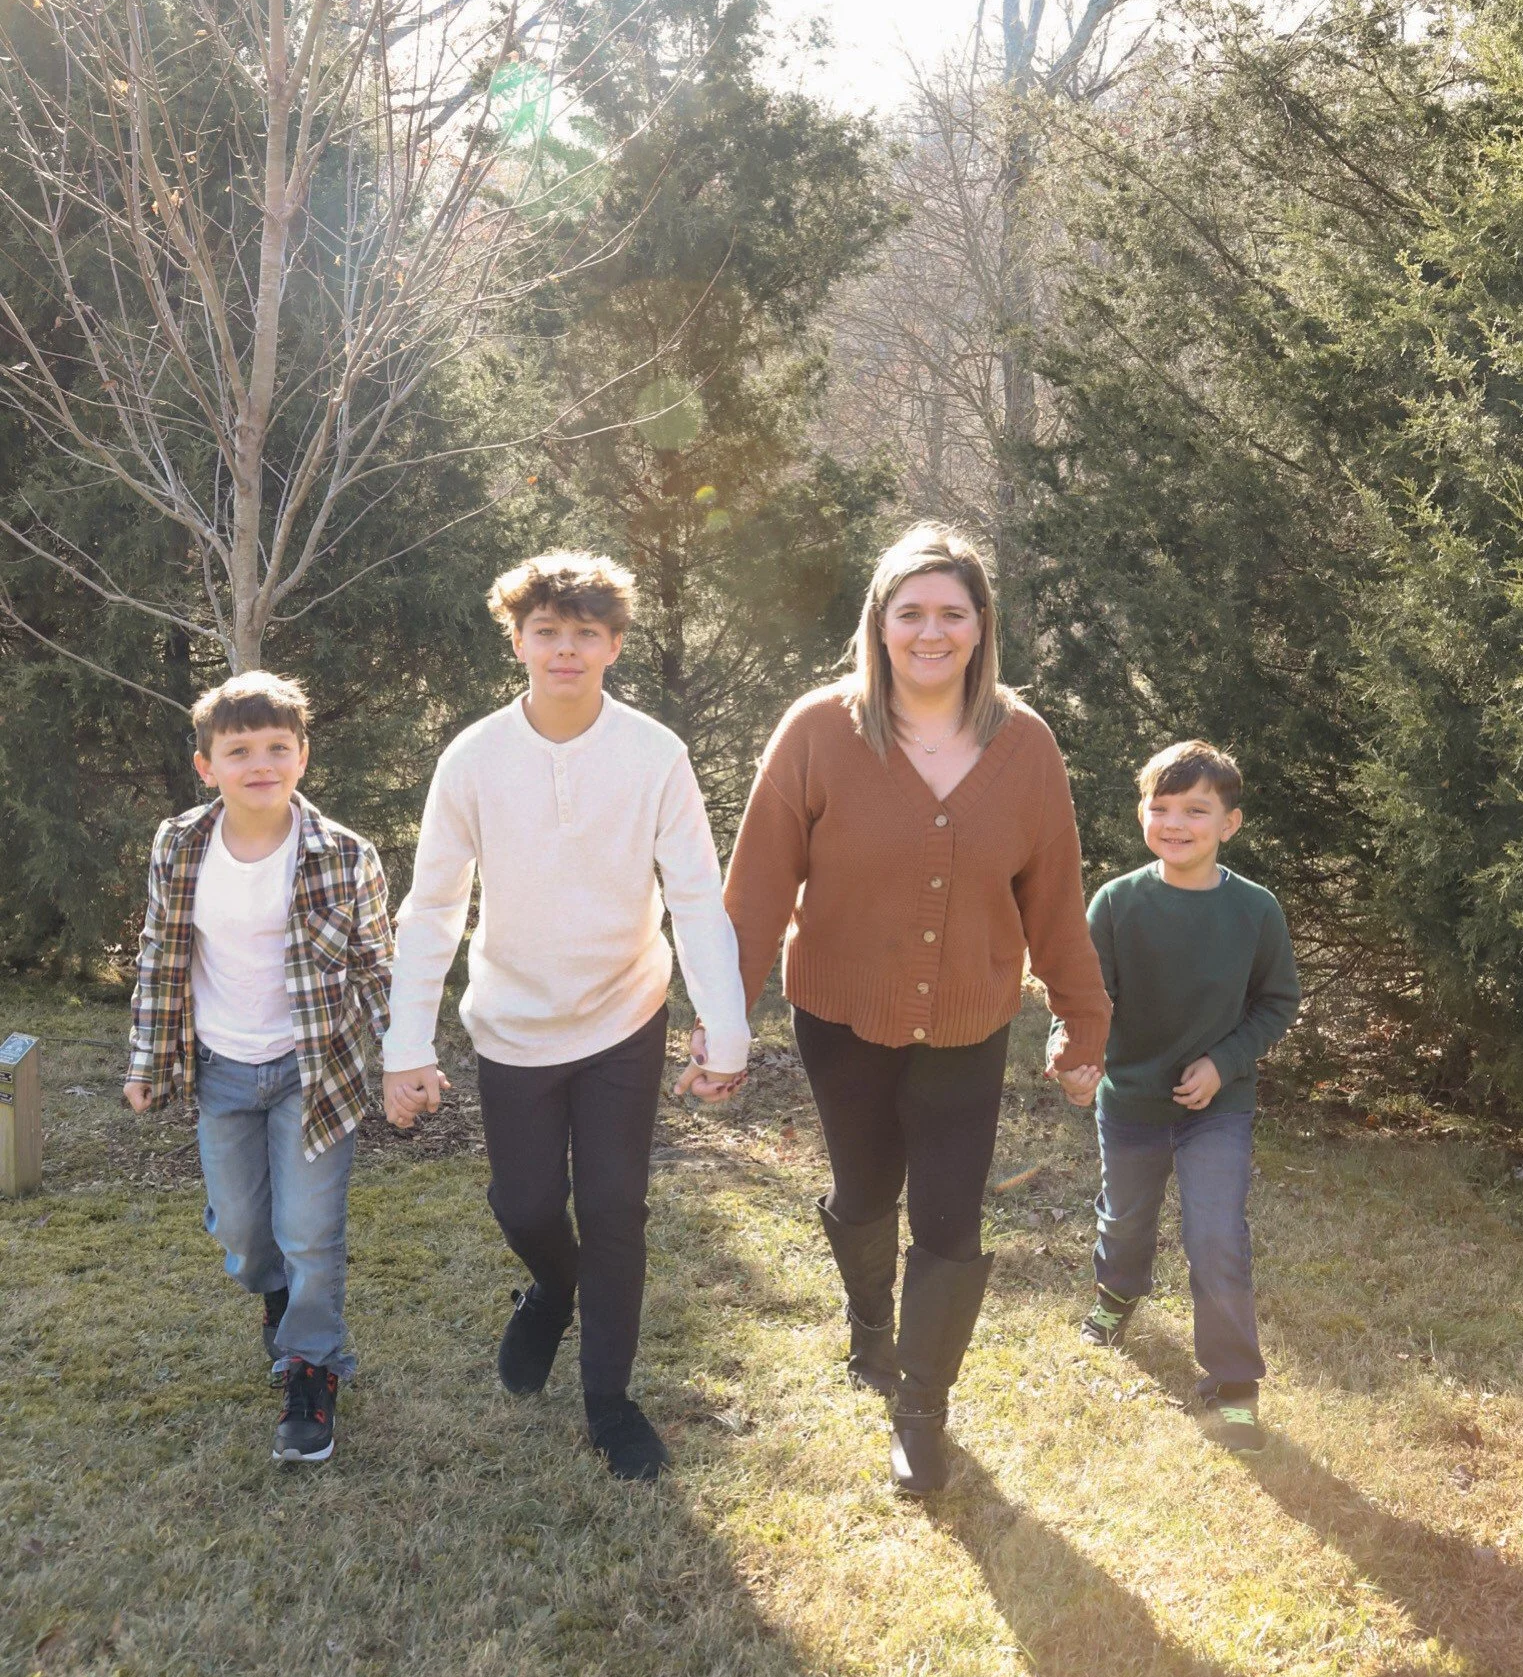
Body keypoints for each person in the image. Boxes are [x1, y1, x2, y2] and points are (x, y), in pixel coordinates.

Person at [723, 525, 1111, 1496]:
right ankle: (868, 1322)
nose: (930, 631)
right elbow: (758, 889)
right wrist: (723, 1017)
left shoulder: (1024, 748)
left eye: (951, 612)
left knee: (948, 1221)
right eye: (911, 613)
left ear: (981, 627)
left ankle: (921, 1410)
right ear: (879, 625)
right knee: (862, 1196)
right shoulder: (818, 731)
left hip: (968, 1027)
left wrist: (1083, 1020)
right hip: (841, 1019)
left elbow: (1055, 899)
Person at [381, 550, 748, 1482]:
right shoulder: (472, 757)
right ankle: (553, 1285)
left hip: (626, 1011)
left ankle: (609, 1406)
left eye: (587, 633)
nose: (566, 650)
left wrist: (727, 1023)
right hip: (512, 1022)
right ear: (519, 641)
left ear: (615, 645)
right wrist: (406, 1044)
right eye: (548, 632)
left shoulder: (655, 753)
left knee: (618, 1205)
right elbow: (429, 909)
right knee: (529, 1203)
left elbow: (697, 895)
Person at [124, 673, 392, 1464]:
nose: (260, 763)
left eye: (278, 747)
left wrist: (399, 1057)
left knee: (312, 1230)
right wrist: (146, 1060)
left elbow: (382, 967)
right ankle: (273, 1292)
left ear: (303, 756)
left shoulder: (344, 855)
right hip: (223, 1071)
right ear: (207, 765)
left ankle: (312, 1368)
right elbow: (159, 954)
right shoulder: (180, 844)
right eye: (239, 750)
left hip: (316, 1072)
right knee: (244, 1230)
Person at [1055, 740, 1300, 1454]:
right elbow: (1087, 997)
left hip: (1215, 1109)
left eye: (1197, 809)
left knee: (1216, 1234)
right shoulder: (1119, 902)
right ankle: (1117, 1293)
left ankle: (1233, 1384)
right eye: (1160, 808)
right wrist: (1072, 1053)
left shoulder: (1255, 911)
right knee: (1125, 1219)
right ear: (1142, 815)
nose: (1176, 823)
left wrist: (1224, 1063)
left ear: (1230, 823)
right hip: (1131, 1100)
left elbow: (1277, 1001)